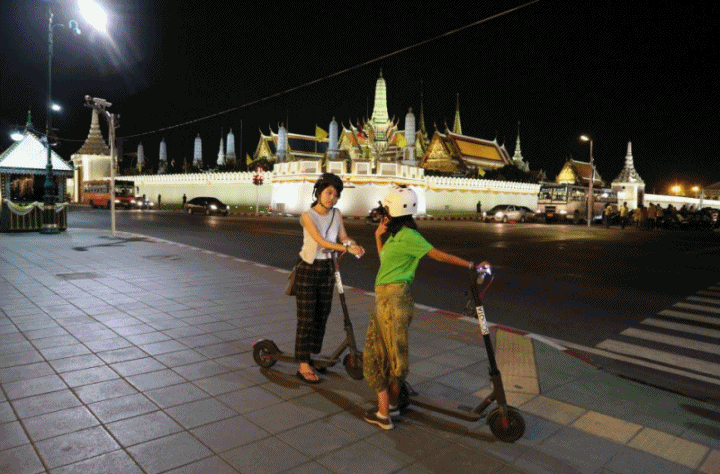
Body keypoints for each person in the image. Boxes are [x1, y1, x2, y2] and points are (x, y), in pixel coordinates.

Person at [363, 186, 482, 430]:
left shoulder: (409, 236)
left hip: (394, 299)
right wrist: (378, 236)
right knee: (385, 349)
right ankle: (392, 405)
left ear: (393, 210)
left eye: (385, 209)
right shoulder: (396, 235)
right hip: (386, 298)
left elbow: (437, 254)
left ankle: (384, 414)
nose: (382, 213)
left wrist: (470, 265)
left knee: (384, 353)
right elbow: (386, 263)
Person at [294, 173, 365, 384]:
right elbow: (321, 241)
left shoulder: (337, 214)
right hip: (308, 268)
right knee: (306, 317)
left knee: (322, 314)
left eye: (336, 195)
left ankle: (311, 355)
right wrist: (346, 249)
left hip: (327, 269)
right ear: (318, 192)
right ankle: (303, 364)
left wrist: (352, 244)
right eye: (329, 193)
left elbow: (343, 236)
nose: (332, 198)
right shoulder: (307, 215)